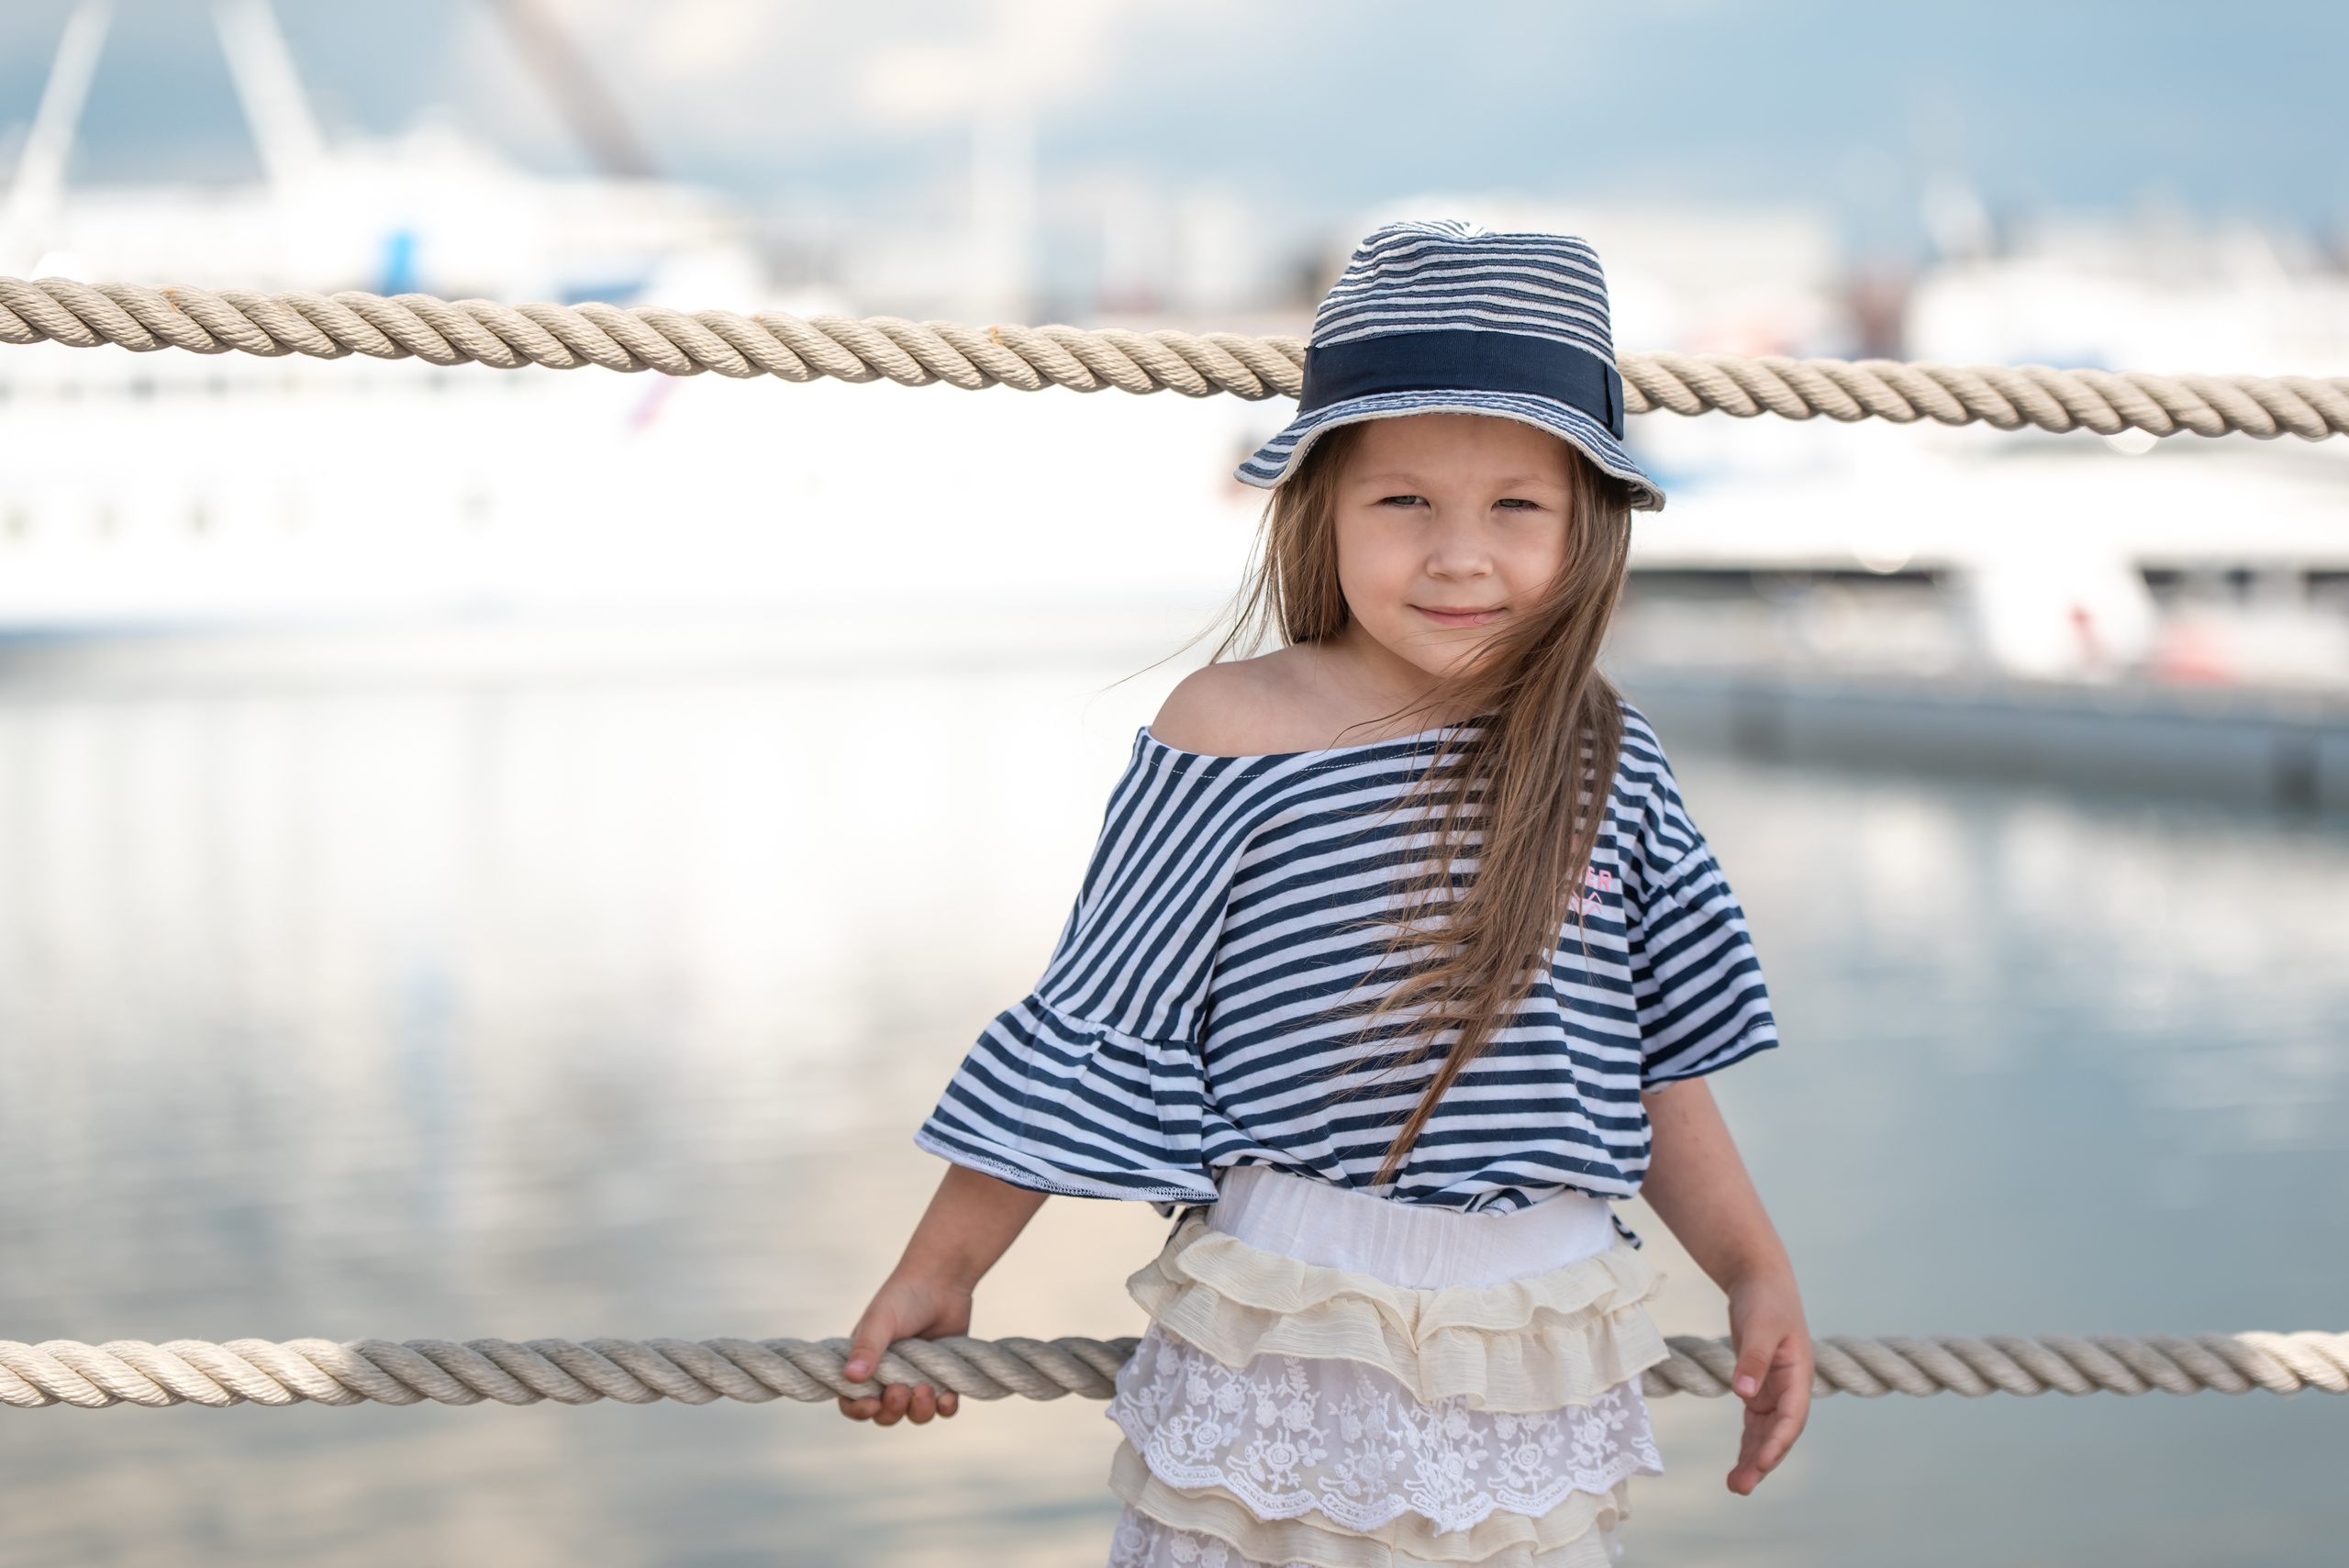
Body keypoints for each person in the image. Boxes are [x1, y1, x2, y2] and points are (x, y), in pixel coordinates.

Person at [837, 219, 1811, 1568]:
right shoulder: (1236, 729)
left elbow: (1663, 1067)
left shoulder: (1607, 753)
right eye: (1403, 501)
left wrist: (1754, 1272)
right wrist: (947, 1266)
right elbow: (1097, 1020)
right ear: (1322, 507)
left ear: (1586, 522)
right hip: (1293, 1310)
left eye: (1516, 506)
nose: (1460, 554)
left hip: (1537, 1332)